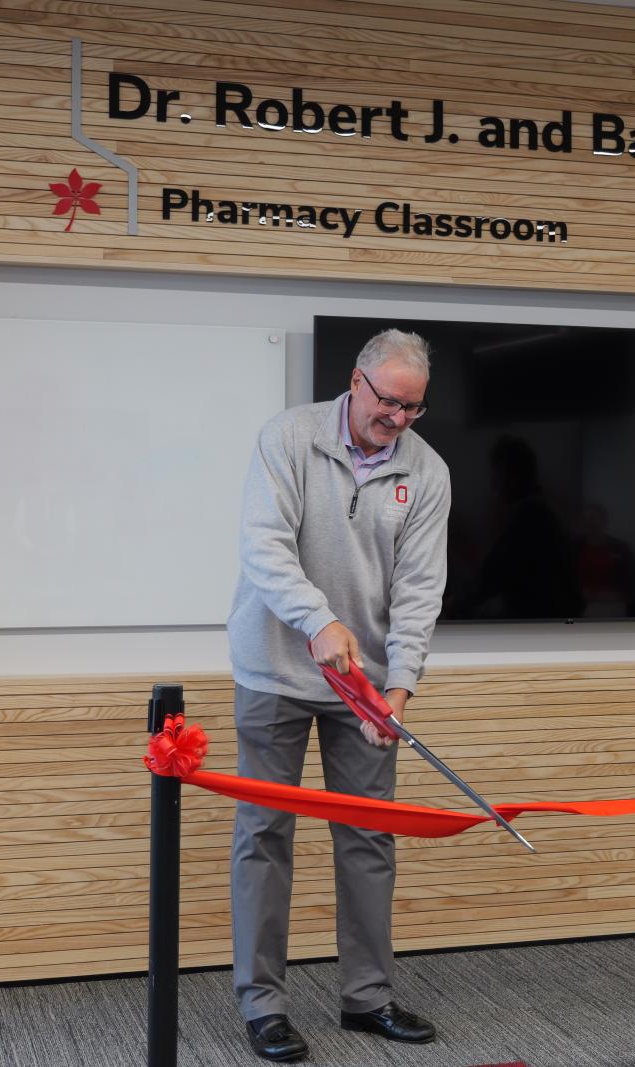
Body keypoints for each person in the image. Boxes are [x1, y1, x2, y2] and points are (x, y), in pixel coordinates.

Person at [227, 328, 452, 1062]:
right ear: (356, 382)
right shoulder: (287, 438)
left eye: (412, 408)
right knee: (265, 834)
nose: (398, 419)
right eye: (388, 402)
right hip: (275, 670)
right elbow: (264, 545)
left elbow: (420, 591)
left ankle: (368, 997)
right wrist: (318, 619)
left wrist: (400, 685)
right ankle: (263, 1004)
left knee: (368, 836)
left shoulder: (428, 471)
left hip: (363, 686)